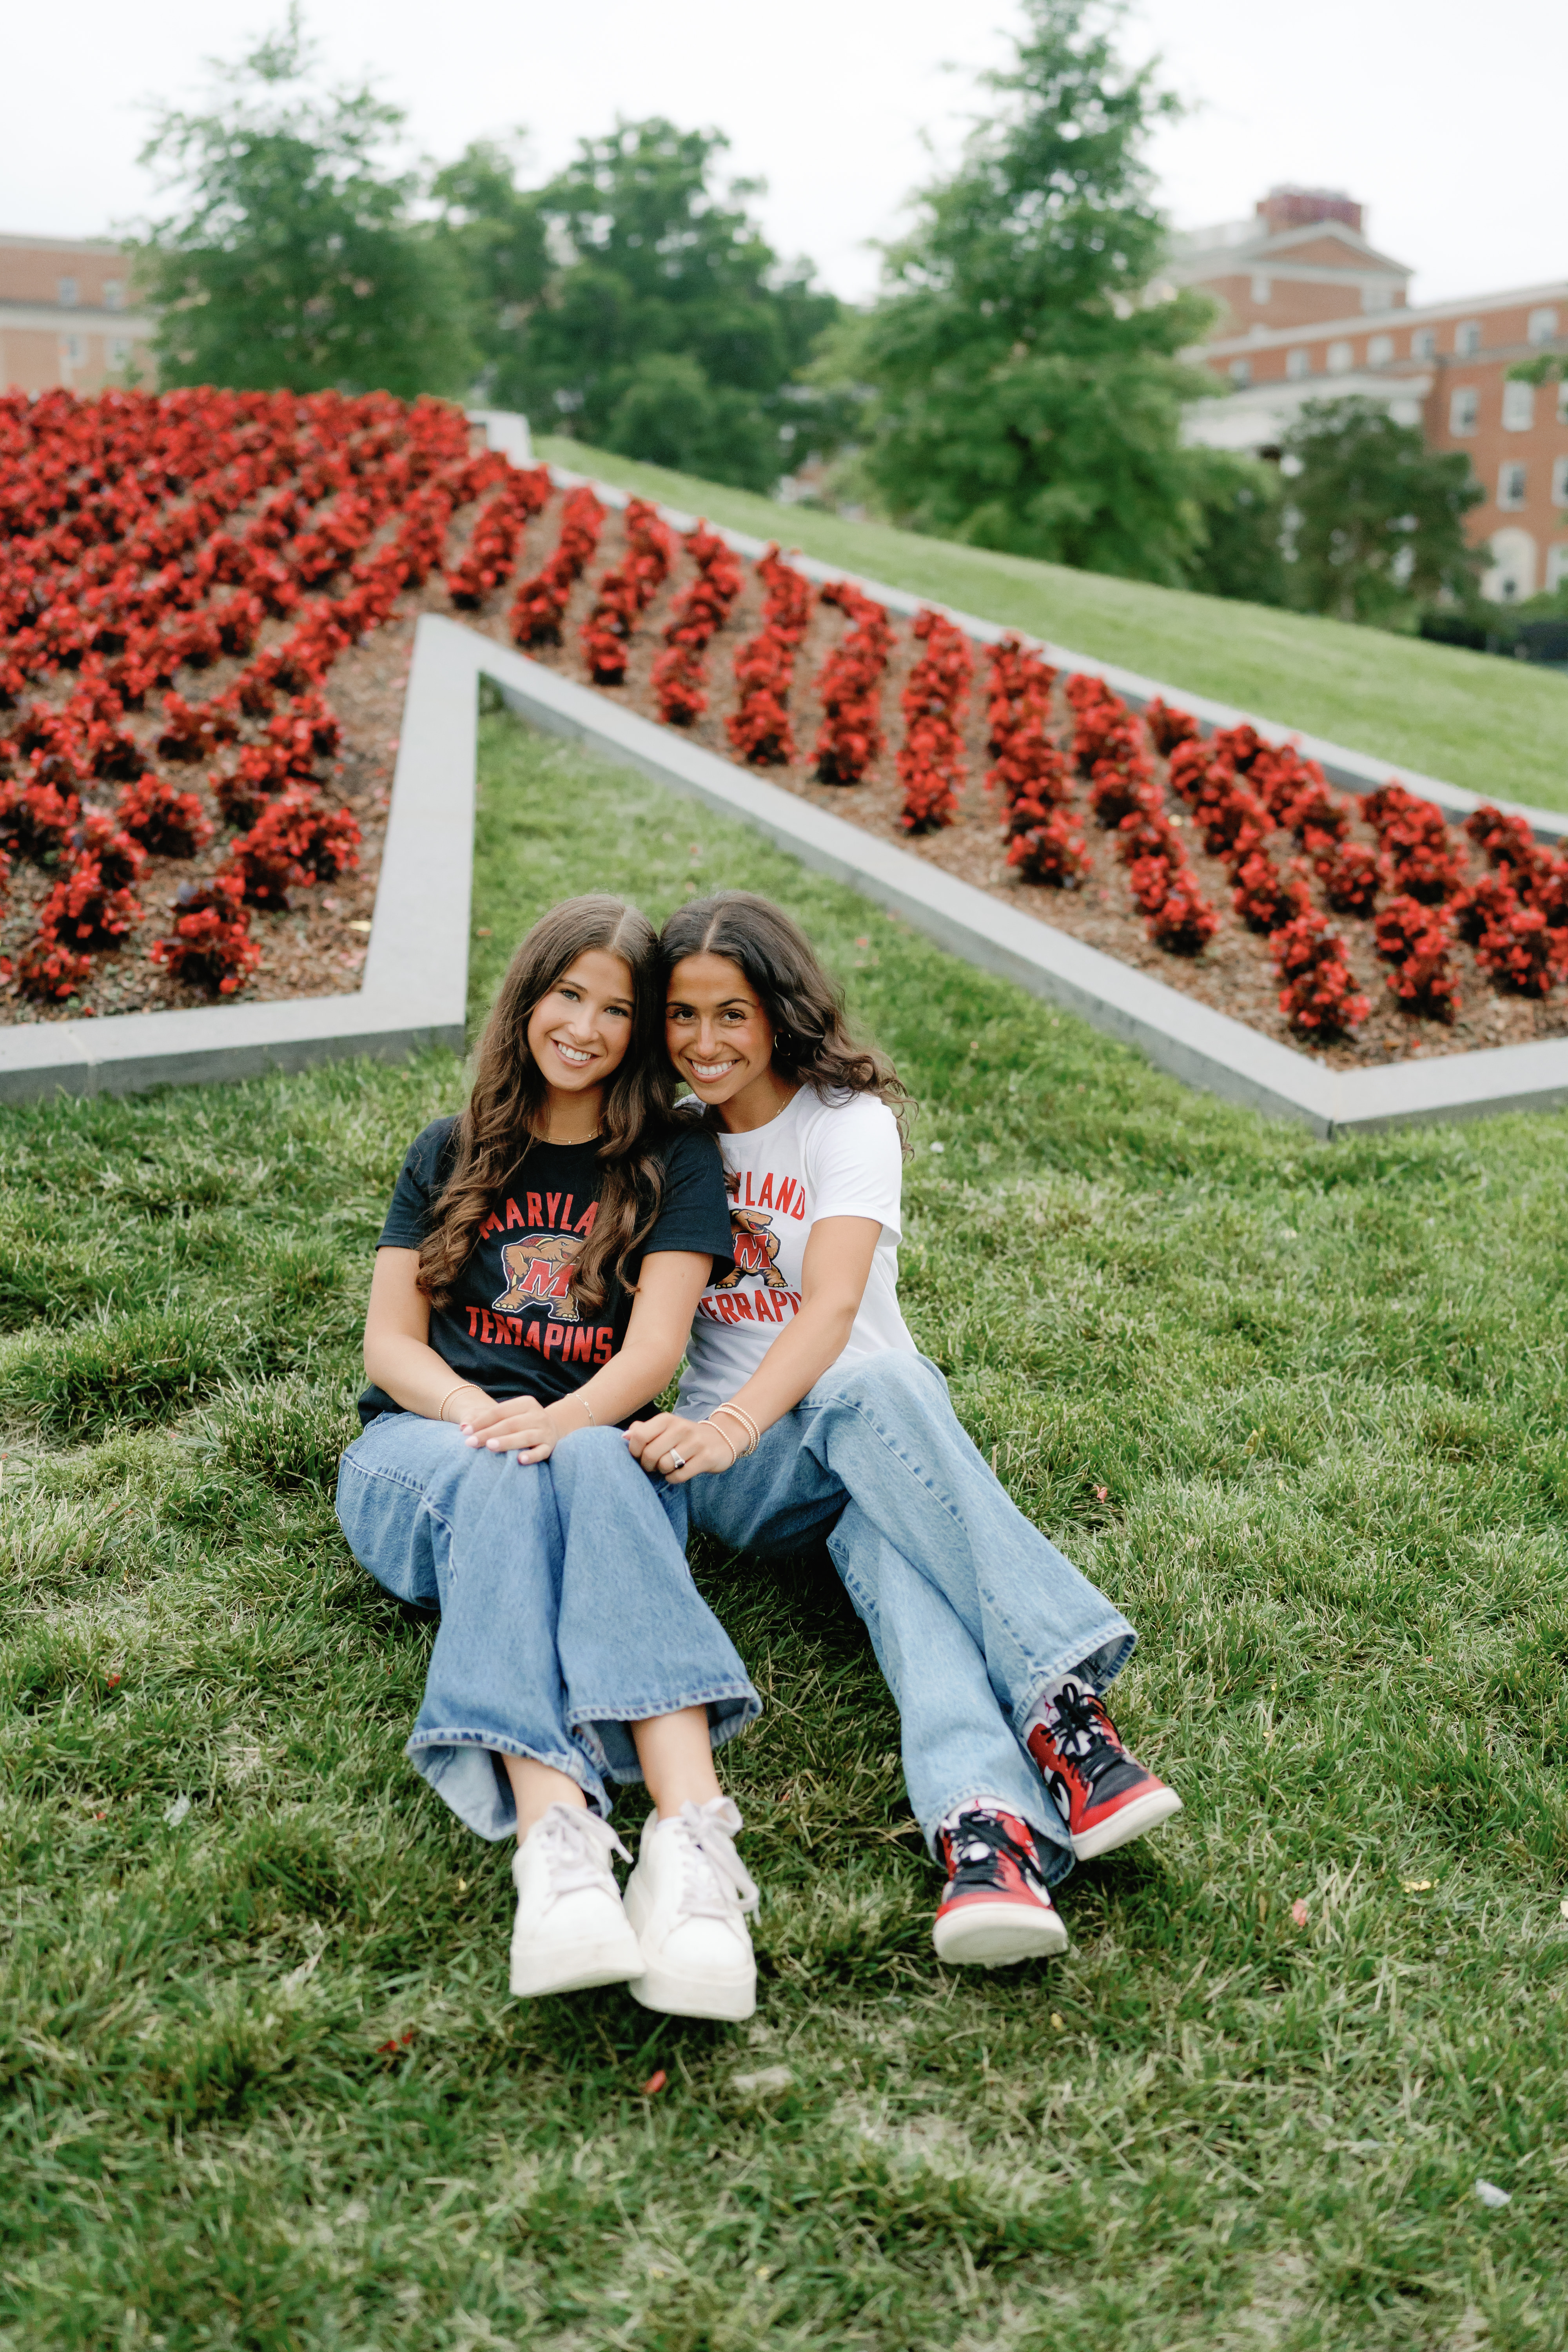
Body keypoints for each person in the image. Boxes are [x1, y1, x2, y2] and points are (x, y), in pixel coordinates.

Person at [627, 892, 1181, 1969]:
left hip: (866, 1442)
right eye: (683, 1017)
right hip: (746, 1470)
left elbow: (832, 1305)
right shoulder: (672, 1145)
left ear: (780, 1011)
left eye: (730, 1014)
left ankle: (990, 1838)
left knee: (881, 1477)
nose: (704, 1043)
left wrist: (741, 1418)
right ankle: (1064, 1707)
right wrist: (725, 1429)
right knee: (880, 1393)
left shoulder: (847, 1123)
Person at [335, 895, 764, 2020]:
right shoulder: (454, 1147)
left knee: (588, 1463)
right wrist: (483, 1413)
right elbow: (391, 1342)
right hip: (427, 1448)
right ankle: (557, 1839)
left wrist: (563, 1425)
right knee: (508, 1472)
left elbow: (656, 1350)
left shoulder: (674, 1157)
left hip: (589, 1452)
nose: (587, 1025)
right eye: (568, 994)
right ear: (529, 998)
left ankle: (689, 1846)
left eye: (618, 1008)